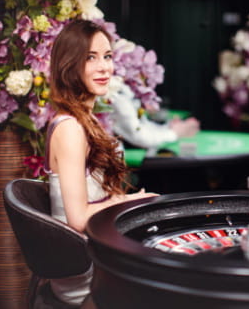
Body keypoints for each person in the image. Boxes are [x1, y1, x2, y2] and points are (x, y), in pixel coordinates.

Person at [46, 19, 157, 306]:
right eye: (90, 58)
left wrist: (132, 199)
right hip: (85, 271)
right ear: (69, 65)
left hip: (98, 252)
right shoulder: (70, 128)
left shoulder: (84, 120)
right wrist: (129, 203)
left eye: (107, 56)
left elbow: (95, 199)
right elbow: (79, 219)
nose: (104, 67)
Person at [106, 76, 200, 149]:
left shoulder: (125, 88)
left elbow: (141, 125)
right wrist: (175, 132)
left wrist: (169, 127)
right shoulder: (116, 93)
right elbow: (139, 136)